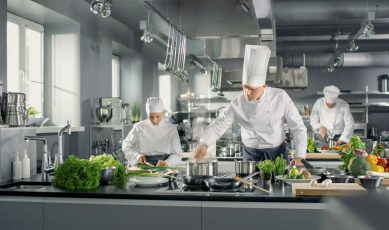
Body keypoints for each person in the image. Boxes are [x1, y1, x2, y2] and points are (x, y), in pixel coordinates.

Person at [193, 45, 307, 165]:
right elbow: (218, 125)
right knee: (250, 184)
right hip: (252, 156)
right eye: (245, 88)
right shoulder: (237, 104)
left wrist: (300, 155)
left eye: (252, 89)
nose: (247, 93)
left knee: (280, 183)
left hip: (277, 154)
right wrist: (204, 143)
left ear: (264, 86)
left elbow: (298, 126)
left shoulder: (280, 97)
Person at [122, 97, 182, 167]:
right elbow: (126, 146)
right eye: (151, 117)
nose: (154, 120)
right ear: (147, 114)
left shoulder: (171, 128)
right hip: (143, 166)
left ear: (162, 113)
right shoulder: (139, 127)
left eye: (157, 116)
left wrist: (167, 163)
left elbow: (177, 154)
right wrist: (137, 156)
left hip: (164, 168)